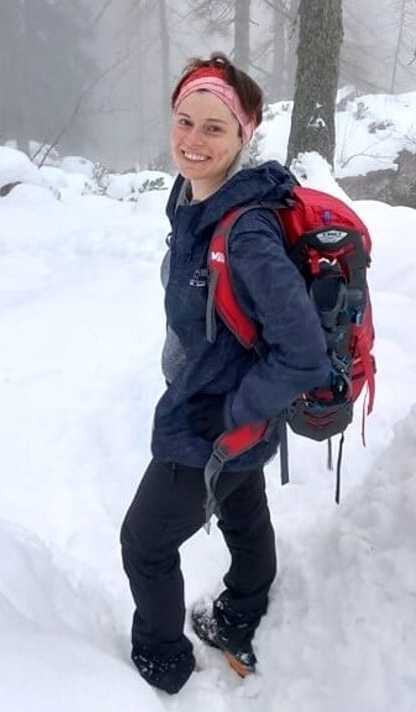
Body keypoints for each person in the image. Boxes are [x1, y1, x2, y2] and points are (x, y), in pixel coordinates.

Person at [119, 52, 330, 694]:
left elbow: (305, 352)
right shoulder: (193, 200)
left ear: (246, 133)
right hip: (230, 414)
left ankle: (163, 660)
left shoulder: (248, 234)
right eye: (185, 121)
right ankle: (242, 613)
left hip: (215, 421)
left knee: (145, 543)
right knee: (243, 510)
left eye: (214, 127)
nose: (193, 140)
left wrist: (233, 411)